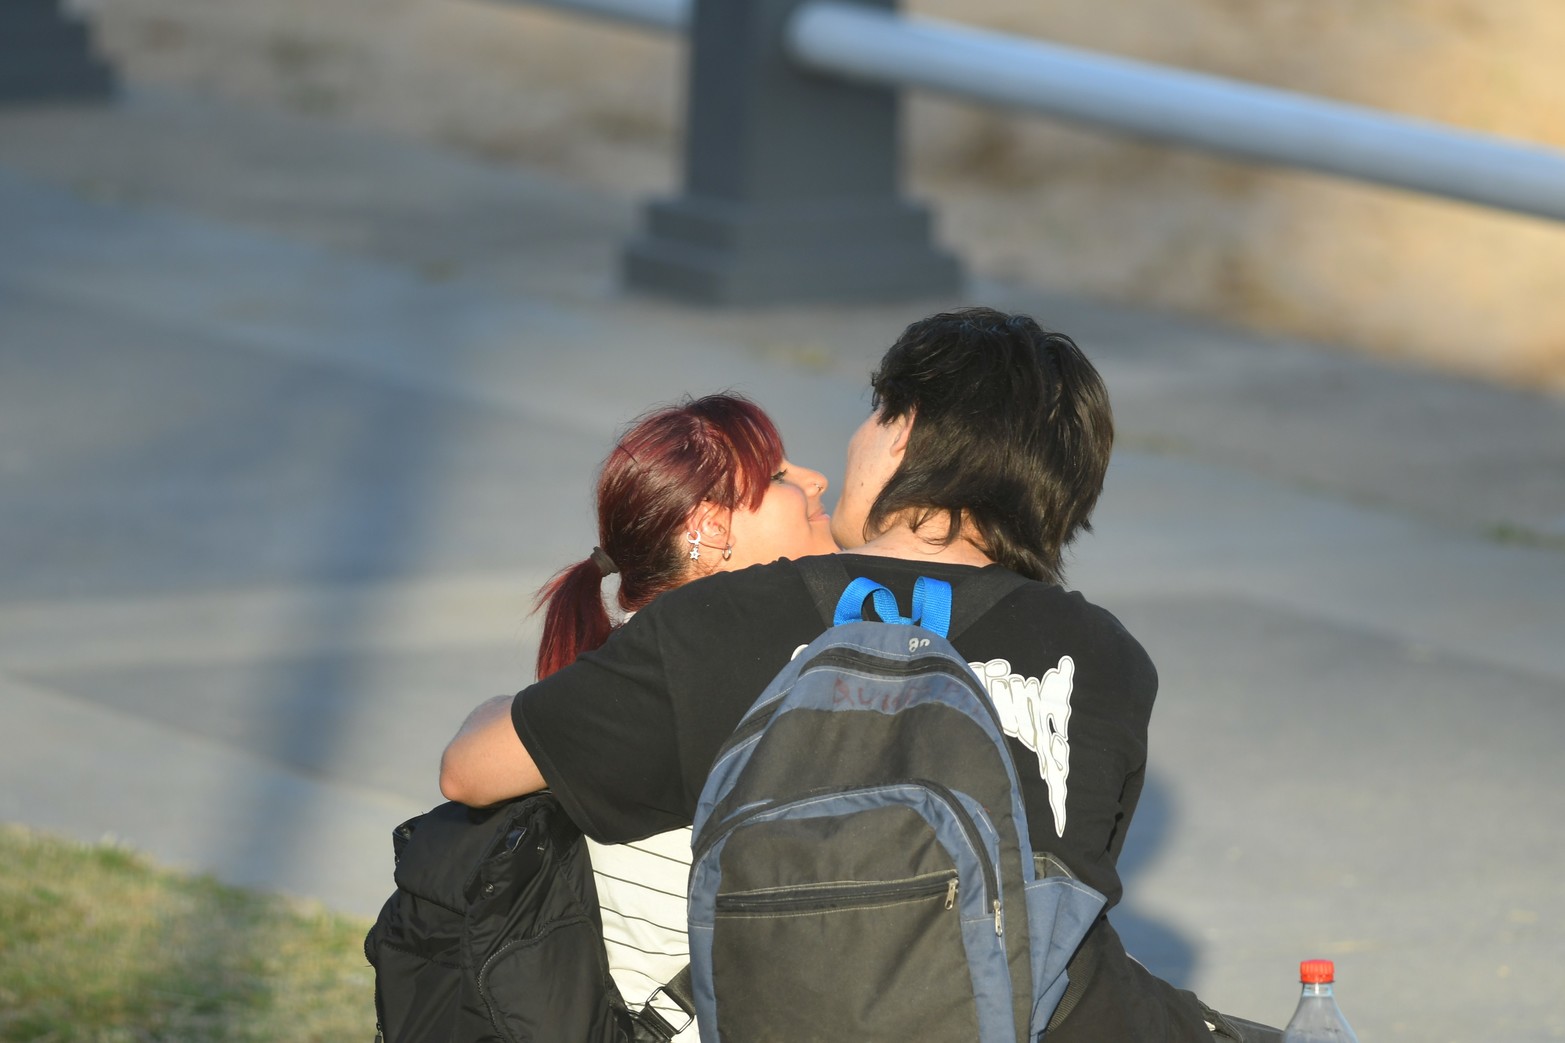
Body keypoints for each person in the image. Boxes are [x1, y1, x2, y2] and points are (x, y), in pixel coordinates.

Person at [441, 307, 1235, 1040]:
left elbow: (472, 775)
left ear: (904, 433)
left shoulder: (728, 618)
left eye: (874, 414)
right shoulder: (1106, 661)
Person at [529, 393, 836, 1035]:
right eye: (778, 476)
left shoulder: (649, 660)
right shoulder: (683, 669)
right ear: (711, 528)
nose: (815, 481)